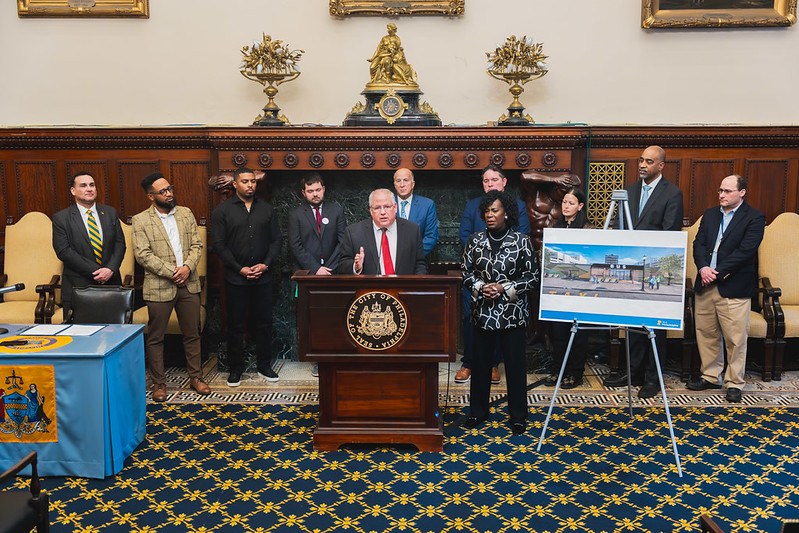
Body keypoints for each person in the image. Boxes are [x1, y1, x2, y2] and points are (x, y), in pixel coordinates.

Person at [603, 145, 684, 399]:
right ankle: (633, 373)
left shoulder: (673, 193)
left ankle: (653, 378)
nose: (642, 165)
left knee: (654, 326)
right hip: (630, 268)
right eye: (641, 160)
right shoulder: (628, 191)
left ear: (661, 166)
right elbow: (619, 227)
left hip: (655, 270)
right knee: (632, 322)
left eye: (649, 161)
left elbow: (670, 234)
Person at [461, 190, 538, 434]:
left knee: (515, 367)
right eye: (487, 211)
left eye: (495, 210)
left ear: (506, 213)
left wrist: (504, 288)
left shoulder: (521, 241)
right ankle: (477, 411)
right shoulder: (474, 240)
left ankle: (518, 415)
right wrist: (481, 287)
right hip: (482, 313)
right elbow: (465, 272)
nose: (490, 215)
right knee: (480, 365)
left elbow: (532, 277)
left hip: (512, 314)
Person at [132, 172, 210, 402]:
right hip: (159, 286)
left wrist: (186, 268)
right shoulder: (141, 220)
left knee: (192, 334)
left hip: (189, 283)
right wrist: (172, 272)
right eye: (163, 191)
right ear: (151, 196)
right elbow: (142, 254)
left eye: (170, 188)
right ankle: (159, 383)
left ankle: (196, 377)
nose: (169, 194)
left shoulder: (185, 213)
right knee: (156, 337)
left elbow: (197, 245)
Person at [687, 174, 765, 403]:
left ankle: (734, 383)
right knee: (706, 334)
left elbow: (746, 251)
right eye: (720, 190)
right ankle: (711, 376)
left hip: (733, 286)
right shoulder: (710, 214)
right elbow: (698, 244)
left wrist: (717, 272)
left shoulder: (755, 217)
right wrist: (703, 268)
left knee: (735, 338)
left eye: (728, 191)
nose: (722, 195)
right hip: (705, 284)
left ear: (742, 193)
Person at [455, 164, 531, 384]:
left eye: (494, 180)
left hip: (507, 279)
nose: (490, 184)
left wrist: (500, 275)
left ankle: (493, 364)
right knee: (471, 319)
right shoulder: (472, 205)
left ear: (504, 182)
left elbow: (522, 236)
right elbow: (464, 236)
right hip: (478, 278)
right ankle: (468, 363)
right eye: (486, 181)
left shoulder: (518, 206)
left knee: (501, 320)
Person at [212, 167, 282, 388]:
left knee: (264, 323)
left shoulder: (267, 209)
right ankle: (235, 369)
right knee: (235, 325)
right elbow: (219, 245)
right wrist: (239, 268)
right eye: (245, 181)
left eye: (252, 181)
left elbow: (276, 241)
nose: (250, 185)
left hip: (263, 277)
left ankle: (264, 365)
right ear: (235, 184)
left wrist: (265, 264)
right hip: (236, 278)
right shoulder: (222, 211)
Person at [287, 172, 346, 377]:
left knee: (334, 315)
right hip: (306, 275)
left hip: (333, 272)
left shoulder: (336, 210)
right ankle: (318, 359)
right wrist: (315, 269)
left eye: (318, 190)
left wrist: (329, 268)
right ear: (303, 193)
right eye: (310, 191)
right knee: (313, 317)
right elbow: (295, 245)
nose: (315, 194)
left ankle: (335, 356)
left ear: (324, 189)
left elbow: (343, 241)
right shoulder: (295, 214)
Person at [52, 171, 126, 313]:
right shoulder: (61, 218)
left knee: (114, 327)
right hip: (78, 287)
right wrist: (97, 272)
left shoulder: (110, 213)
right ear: (73, 191)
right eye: (83, 185)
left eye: (92, 185)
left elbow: (120, 244)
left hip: (111, 285)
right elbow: (64, 251)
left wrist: (110, 269)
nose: (89, 189)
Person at [545, 187, 595, 389]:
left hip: (581, 290)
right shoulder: (554, 227)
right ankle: (558, 369)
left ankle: (576, 372)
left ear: (580, 206)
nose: (566, 206)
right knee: (558, 332)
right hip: (558, 288)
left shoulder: (589, 230)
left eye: (571, 203)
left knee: (578, 333)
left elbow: (592, 260)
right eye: (564, 202)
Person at [338, 188, 427, 276]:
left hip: (404, 285)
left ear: (395, 207)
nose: (383, 212)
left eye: (387, 207)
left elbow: (420, 264)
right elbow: (342, 265)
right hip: (370, 285)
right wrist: (356, 266)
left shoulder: (412, 230)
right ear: (371, 210)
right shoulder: (354, 232)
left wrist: (416, 283)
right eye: (377, 208)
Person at [393, 168, 439, 257]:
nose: (402, 185)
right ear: (395, 185)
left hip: (417, 259)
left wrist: (413, 256)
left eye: (406, 180)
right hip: (390, 259)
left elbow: (431, 236)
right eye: (398, 181)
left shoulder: (427, 205)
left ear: (413, 184)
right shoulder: (387, 204)